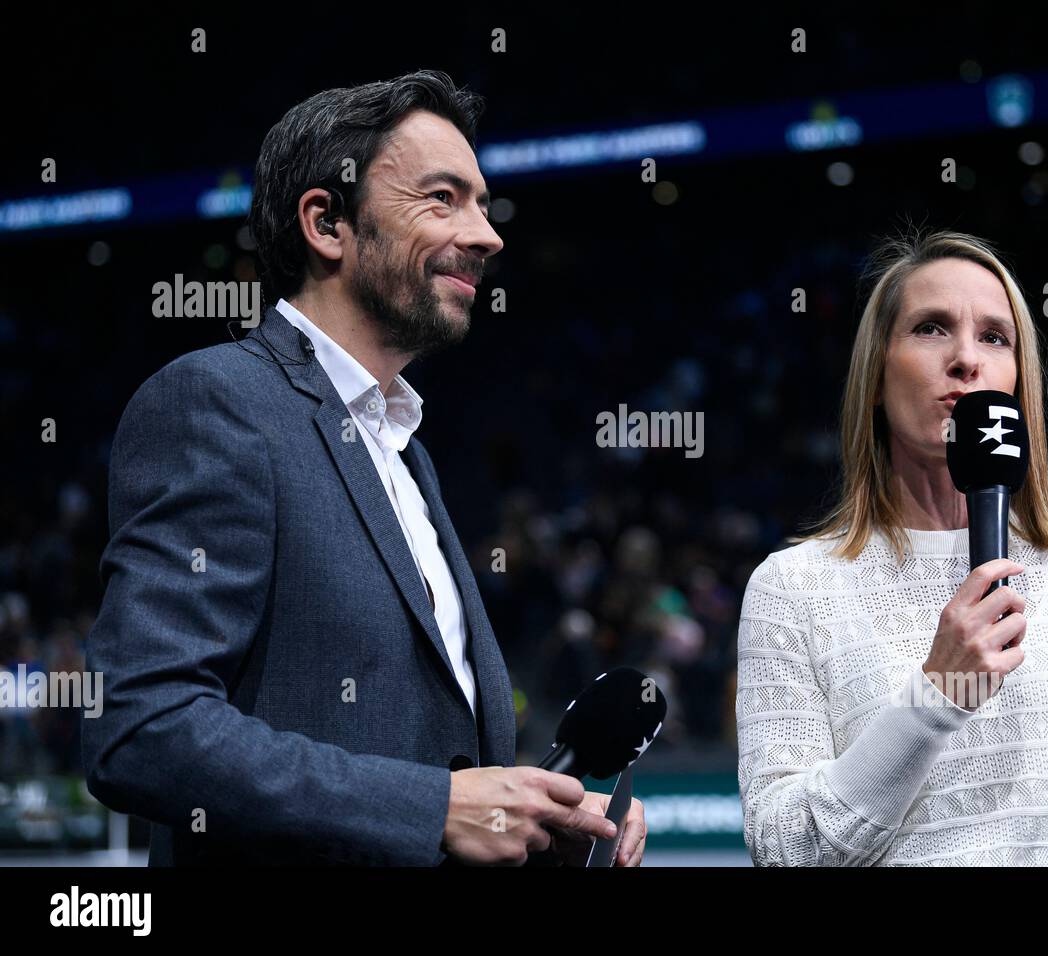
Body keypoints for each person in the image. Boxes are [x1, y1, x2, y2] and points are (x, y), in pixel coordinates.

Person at [82, 71, 645, 866]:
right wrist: (433, 807)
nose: (489, 235)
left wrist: (538, 810)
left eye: (482, 203)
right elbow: (138, 724)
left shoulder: (408, 453)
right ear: (327, 223)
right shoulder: (216, 403)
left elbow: (433, 773)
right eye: (444, 198)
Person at [736, 229, 1048, 866]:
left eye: (995, 337)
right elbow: (783, 851)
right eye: (932, 328)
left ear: (1018, 384)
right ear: (875, 378)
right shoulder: (793, 588)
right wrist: (934, 695)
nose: (967, 359)